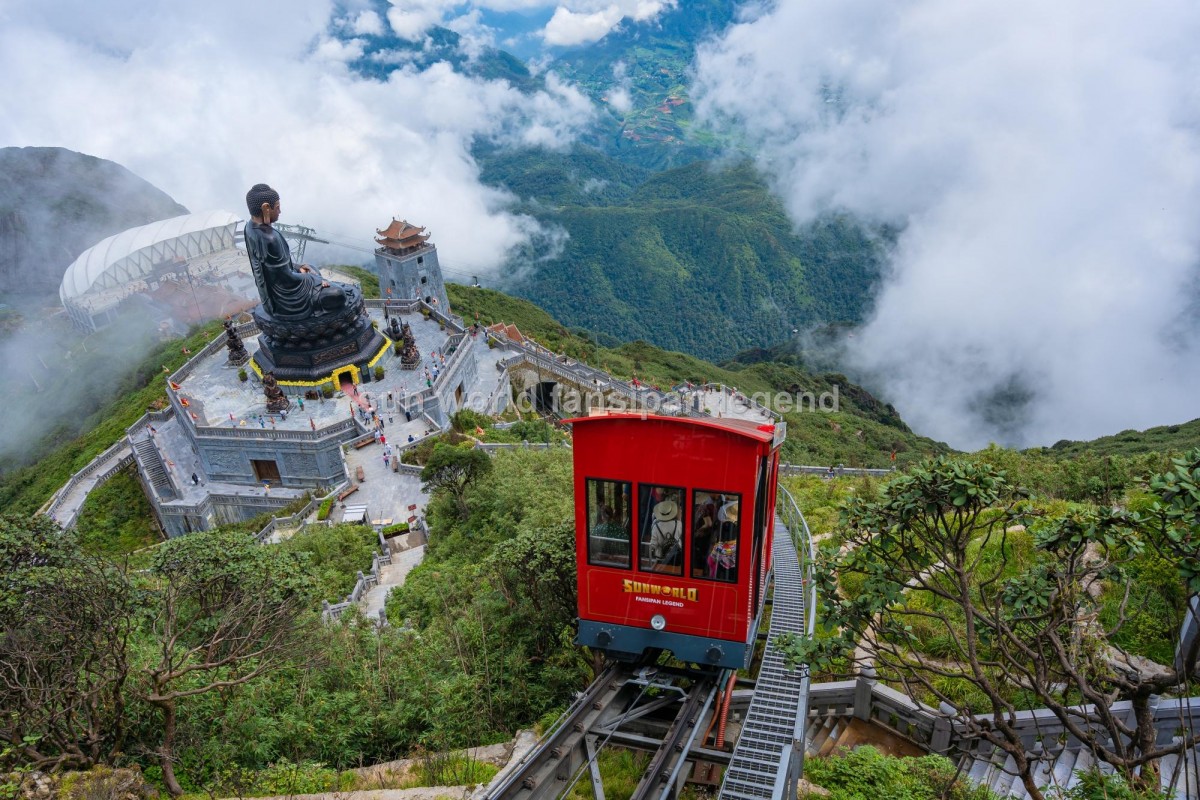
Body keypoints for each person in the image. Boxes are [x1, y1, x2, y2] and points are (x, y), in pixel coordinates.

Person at [243, 183, 347, 319]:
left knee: (311, 267)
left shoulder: (249, 227)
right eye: (277, 208)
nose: (280, 211)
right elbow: (286, 279)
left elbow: (275, 269)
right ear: (266, 208)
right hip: (284, 301)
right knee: (338, 294)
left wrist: (299, 267)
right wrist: (314, 279)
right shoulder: (269, 238)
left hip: (272, 294)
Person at [647, 499, 682, 573]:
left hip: (661, 559)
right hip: (676, 558)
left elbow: (653, 545)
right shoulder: (679, 524)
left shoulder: (656, 526)